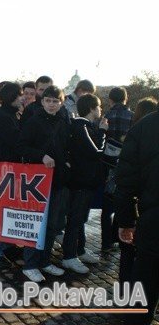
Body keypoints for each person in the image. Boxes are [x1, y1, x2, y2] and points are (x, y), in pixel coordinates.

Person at [17, 85, 71, 282]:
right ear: (42, 101)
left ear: (61, 103)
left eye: (55, 101)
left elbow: (66, 146)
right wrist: (41, 156)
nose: (51, 104)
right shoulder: (33, 121)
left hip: (58, 179)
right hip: (37, 181)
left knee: (53, 224)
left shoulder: (64, 121)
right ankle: (30, 264)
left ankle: (45, 261)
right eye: (48, 100)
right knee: (35, 223)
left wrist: (66, 160)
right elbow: (21, 146)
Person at [114, 107, 159, 325]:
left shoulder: (143, 127)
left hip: (152, 220)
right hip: (152, 220)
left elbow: (126, 181)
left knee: (145, 284)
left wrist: (125, 221)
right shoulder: (144, 127)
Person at [62, 94, 107, 274]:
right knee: (75, 220)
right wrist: (103, 131)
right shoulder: (81, 125)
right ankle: (69, 256)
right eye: (99, 106)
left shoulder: (86, 125)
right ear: (91, 108)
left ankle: (79, 250)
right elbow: (97, 151)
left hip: (86, 181)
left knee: (80, 219)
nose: (101, 109)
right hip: (81, 181)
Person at [0, 82, 23, 267]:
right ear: (11, 98)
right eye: (19, 95)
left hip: (9, 168)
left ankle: (5, 245)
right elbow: (16, 142)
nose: (22, 98)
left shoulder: (9, 114)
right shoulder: (3, 116)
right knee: (3, 212)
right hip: (4, 170)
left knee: (8, 210)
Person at [101, 87, 134, 252]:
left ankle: (106, 241)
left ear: (110, 100)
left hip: (108, 164)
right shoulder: (134, 117)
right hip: (127, 164)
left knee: (107, 205)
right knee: (123, 201)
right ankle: (117, 236)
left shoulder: (105, 116)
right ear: (126, 99)